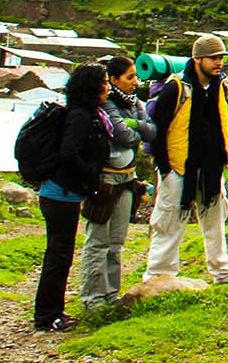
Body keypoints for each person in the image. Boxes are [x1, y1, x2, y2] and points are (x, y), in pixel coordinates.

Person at [143, 35, 228, 284]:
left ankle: (223, 270)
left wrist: (223, 155)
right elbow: (157, 130)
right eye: (213, 58)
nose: (218, 63)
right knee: (169, 220)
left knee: (215, 218)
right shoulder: (176, 88)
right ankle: (159, 275)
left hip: (211, 166)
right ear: (197, 59)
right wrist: (164, 168)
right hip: (178, 166)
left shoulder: (222, 85)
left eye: (221, 58)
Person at [34, 63, 111, 332]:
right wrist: (92, 179)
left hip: (63, 194)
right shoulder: (79, 117)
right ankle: (47, 316)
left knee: (60, 254)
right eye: (103, 82)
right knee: (58, 255)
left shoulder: (88, 113)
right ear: (91, 87)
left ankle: (52, 312)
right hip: (60, 195)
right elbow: (69, 153)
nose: (108, 86)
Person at [79, 56, 156, 310]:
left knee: (116, 241)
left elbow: (152, 130)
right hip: (106, 179)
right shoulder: (108, 104)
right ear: (113, 80)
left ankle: (111, 295)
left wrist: (134, 127)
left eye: (136, 76)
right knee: (98, 240)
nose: (136, 81)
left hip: (128, 179)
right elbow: (124, 135)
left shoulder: (134, 104)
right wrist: (138, 129)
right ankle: (93, 298)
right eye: (129, 77)